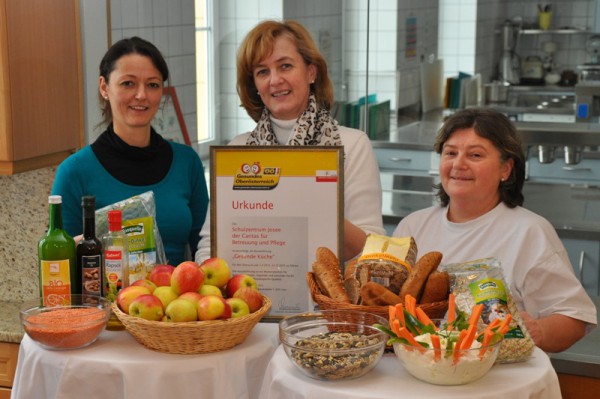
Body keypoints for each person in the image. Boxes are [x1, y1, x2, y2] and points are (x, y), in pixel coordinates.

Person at [393, 108, 596, 353]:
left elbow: (574, 318)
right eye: (450, 153)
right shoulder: (413, 226)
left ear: (506, 169)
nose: (458, 164)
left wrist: (538, 331)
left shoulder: (528, 231)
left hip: (500, 378)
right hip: (421, 369)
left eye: (475, 155)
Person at [195, 19, 385, 263]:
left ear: (311, 72)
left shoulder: (352, 145)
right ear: (254, 84)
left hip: (329, 300)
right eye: (263, 71)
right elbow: (210, 245)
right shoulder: (237, 151)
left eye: (285, 66)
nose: (274, 80)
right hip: (252, 298)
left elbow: (373, 249)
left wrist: (311, 201)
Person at [52, 37, 209, 266]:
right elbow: (60, 262)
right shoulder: (75, 171)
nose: (141, 95)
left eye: (153, 84)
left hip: (178, 300)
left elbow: (206, 250)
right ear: (104, 87)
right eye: (128, 83)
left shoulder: (187, 163)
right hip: (104, 301)